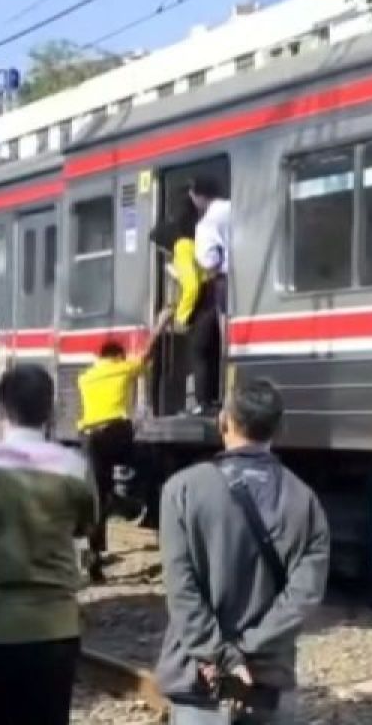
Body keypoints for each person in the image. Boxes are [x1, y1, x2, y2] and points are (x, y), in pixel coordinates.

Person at [157, 378, 330, 724]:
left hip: (198, 679)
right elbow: (304, 597)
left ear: (223, 421)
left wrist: (221, 656)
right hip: (268, 680)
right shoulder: (305, 500)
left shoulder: (182, 490)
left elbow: (181, 589)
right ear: (279, 428)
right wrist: (248, 650)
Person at [0, 365, 96, 725]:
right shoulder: (75, 467)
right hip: (50, 631)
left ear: (1, 409)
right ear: (50, 410)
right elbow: (85, 526)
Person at [78, 311, 172, 582]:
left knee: (98, 495)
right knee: (153, 464)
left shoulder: (85, 377)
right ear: (118, 356)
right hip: (116, 434)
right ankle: (140, 502)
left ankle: (94, 559)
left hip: (89, 438)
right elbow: (147, 352)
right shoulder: (122, 367)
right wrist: (162, 323)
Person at [151, 208, 216, 413]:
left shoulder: (181, 248)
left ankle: (201, 404)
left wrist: (181, 316)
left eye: (160, 248)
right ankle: (208, 401)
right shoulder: (191, 243)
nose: (162, 252)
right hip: (211, 299)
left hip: (203, 303)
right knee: (208, 352)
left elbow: (192, 286)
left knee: (197, 353)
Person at [189, 179, 230, 415]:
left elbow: (210, 261)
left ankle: (213, 402)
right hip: (248, 276)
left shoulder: (206, 223)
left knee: (216, 344)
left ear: (199, 196)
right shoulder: (236, 208)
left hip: (224, 282)